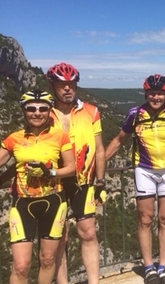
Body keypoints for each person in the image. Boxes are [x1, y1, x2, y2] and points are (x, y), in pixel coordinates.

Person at [105, 74, 165, 284]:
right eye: (152, 93)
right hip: (144, 170)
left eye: (160, 93)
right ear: (146, 93)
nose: (156, 97)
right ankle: (149, 267)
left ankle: (163, 268)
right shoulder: (136, 114)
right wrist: (100, 163)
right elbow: (119, 140)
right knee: (145, 219)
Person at [0, 90, 76, 284]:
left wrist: (49, 173)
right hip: (22, 204)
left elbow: (71, 168)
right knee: (21, 265)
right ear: (24, 111)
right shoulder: (14, 138)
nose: (37, 113)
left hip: (53, 200)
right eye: (31, 108)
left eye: (42, 108)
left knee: (48, 260)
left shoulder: (60, 136)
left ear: (49, 111)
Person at [45, 63, 107, 284]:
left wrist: (101, 181)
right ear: (53, 86)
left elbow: (99, 149)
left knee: (88, 232)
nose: (68, 89)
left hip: (85, 181)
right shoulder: (44, 112)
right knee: (60, 237)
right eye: (62, 85)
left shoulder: (91, 111)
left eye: (71, 84)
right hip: (54, 182)